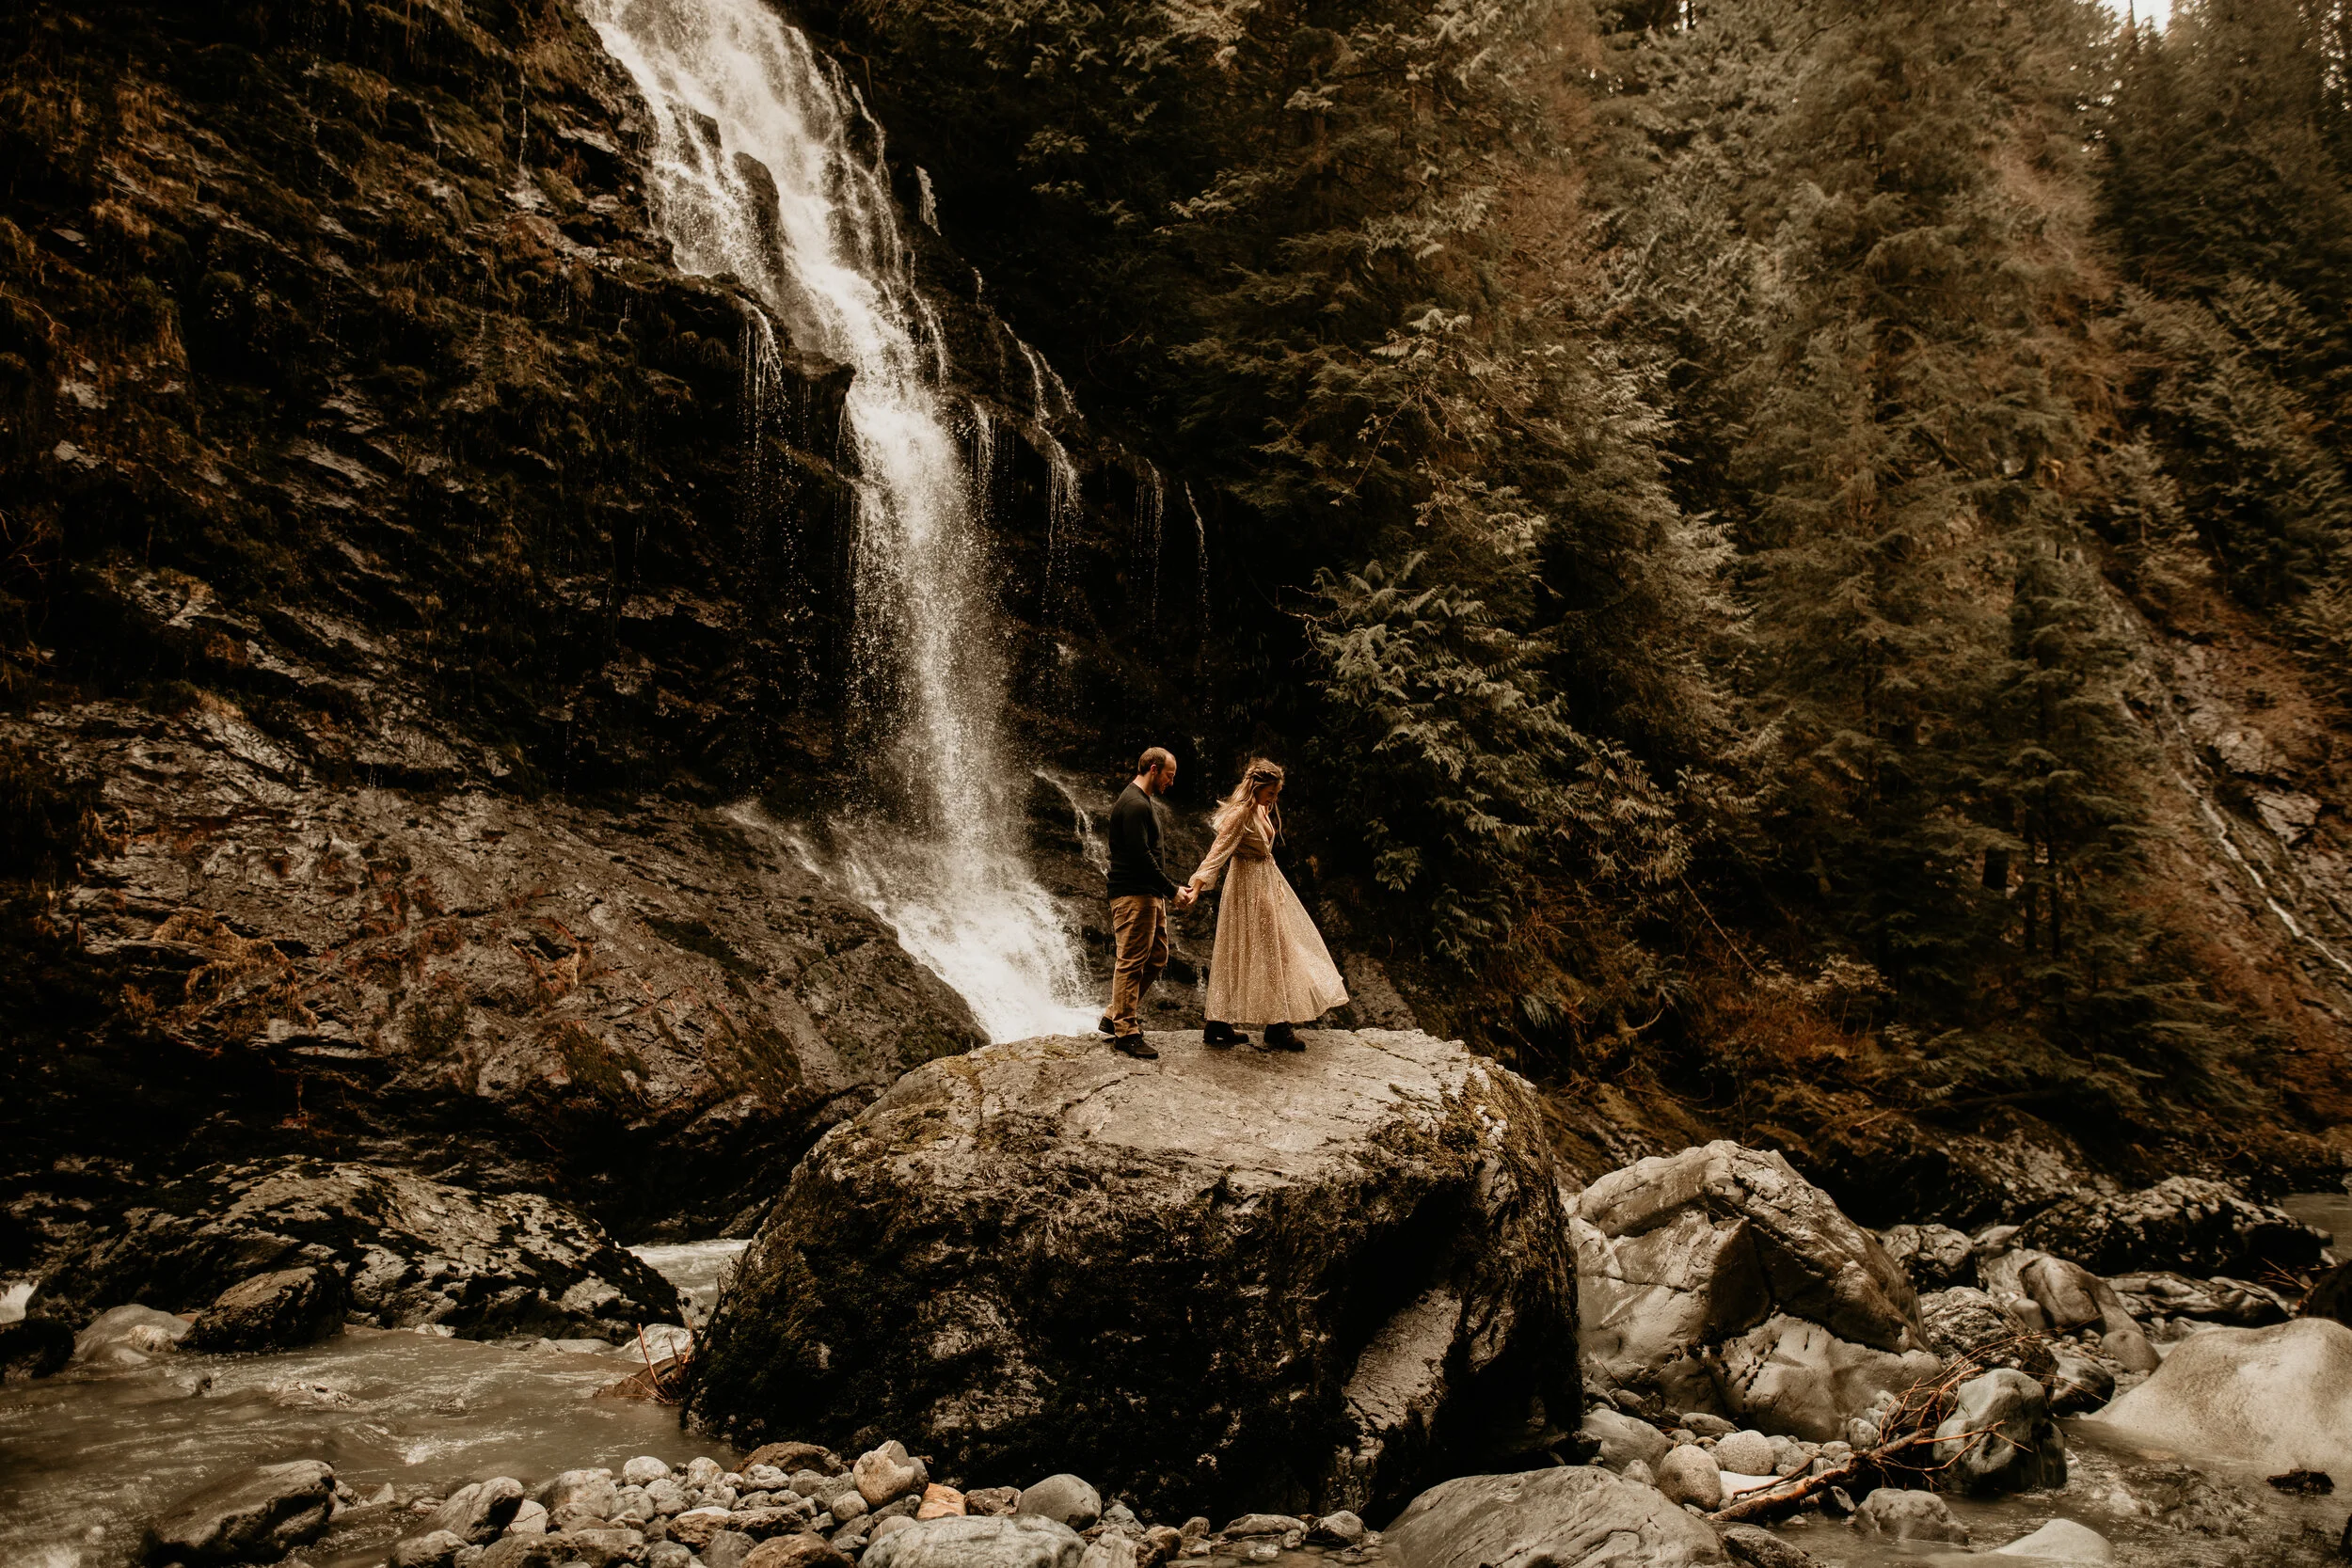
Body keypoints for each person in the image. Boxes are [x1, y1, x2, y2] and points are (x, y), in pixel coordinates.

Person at [1184, 758, 1346, 1051]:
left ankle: (1220, 1023)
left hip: (1265, 883)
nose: (1274, 799)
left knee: (1273, 950)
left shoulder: (1261, 808)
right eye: (1271, 793)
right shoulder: (1241, 814)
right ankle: (1276, 1026)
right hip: (1248, 889)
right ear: (1256, 788)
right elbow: (1217, 853)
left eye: (1276, 793)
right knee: (1271, 951)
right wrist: (1196, 887)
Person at [1102, 746, 1197, 1059]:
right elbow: (1139, 856)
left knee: (1157, 956)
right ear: (1154, 769)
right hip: (1134, 894)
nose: (1171, 782)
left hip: (1147, 894)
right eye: (1170, 775)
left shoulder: (1141, 802)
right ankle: (1126, 1032)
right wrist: (1171, 889)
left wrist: (1162, 892)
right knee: (1131, 961)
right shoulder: (1133, 805)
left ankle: (1114, 1013)